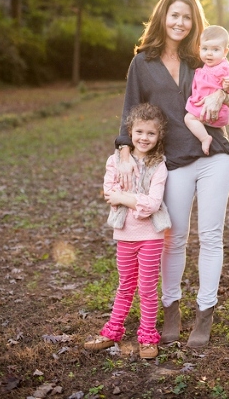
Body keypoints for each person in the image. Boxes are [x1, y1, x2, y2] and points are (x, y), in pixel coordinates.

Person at [116, 0, 229, 349]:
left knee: (211, 236)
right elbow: (129, 110)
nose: (180, 22)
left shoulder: (202, 58)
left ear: (194, 22)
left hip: (215, 154)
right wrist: (125, 152)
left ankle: (205, 314)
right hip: (172, 163)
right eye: (175, 15)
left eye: (187, 17)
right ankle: (172, 312)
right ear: (163, 17)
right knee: (173, 239)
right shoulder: (143, 62)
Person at [84, 103, 171, 360]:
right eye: (139, 132)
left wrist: (126, 197)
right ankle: (113, 331)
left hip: (151, 236)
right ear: (130, 132)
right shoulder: (115, 161)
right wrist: (125, 197)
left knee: (147, 287)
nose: (144, 138)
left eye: (151, 134)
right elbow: (110, 194)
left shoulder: (160, 166)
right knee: (125, 285)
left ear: (159, 136)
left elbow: (153, 204)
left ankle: (147, 336)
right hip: (125, 234)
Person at [184, 25, 229, 155]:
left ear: (225, 52)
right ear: (199, 49)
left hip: (214, 112)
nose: (209, 53)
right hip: (206, 109)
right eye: (205, 49)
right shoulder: (206, 66)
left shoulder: (224, 69)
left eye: (215, 50)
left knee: (189, 119)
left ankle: (205, 138)